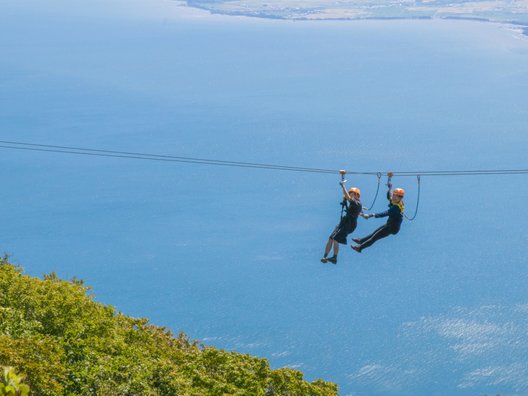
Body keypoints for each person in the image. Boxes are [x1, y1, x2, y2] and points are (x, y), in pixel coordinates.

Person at [351, 175, 404, 253]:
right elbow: (389, 196)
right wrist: (389, 187)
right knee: (375, 232)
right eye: (394, 195)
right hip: (390, 224)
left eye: (395, 196)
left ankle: (360, 248)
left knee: (375, 237)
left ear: (400, 198)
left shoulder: (396, 208)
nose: (393, 196)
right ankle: (360, 241)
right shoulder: (396, 201)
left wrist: (370, 215)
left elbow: (385, 213)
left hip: (392, 228)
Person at [321, 180, 362, 264]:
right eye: (350, 193)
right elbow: (347, 198)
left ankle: (335, 258)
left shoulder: (357, 203)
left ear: (357, 196)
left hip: (349, 224)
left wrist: (343, 185)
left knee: (336, 239)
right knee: (331, 238)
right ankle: (325, 256)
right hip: (344, 222)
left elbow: (348, 197)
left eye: (353, 194)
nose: (351, 195)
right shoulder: (353, 203)